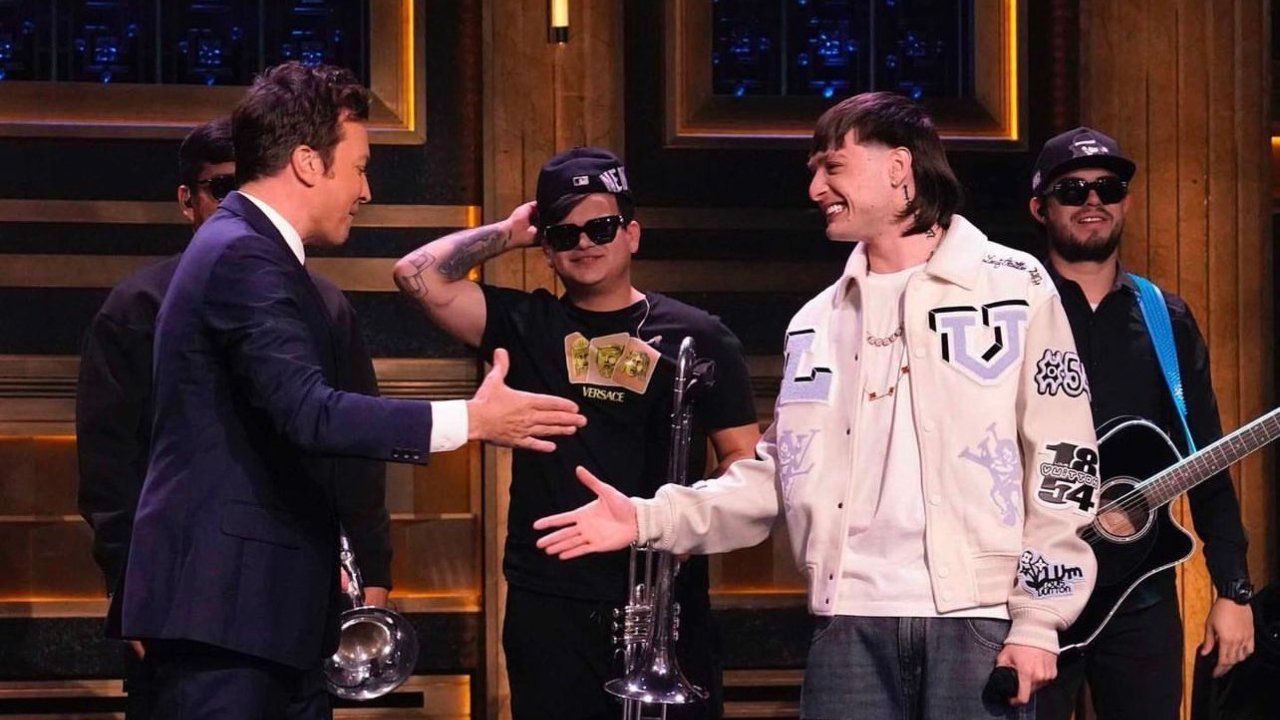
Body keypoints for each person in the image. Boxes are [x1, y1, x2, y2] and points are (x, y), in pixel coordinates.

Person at [533, 92, 1100, 719]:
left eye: (833, 167)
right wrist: (648, 518)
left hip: (977, 623)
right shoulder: (817, 321)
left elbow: (1065, 460)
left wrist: (1039, 619)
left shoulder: (1014, 285)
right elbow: (780, 475)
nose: (815, 189)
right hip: (847, 623)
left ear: (899, 167)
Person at [115, 62, 584, 719]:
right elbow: (307, 413)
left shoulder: (251, 251)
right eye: (359, 167)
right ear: (308, 163)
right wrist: (472, 420)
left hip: (261, 613)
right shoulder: (242, 255)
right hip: (227, 617)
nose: (365, 189)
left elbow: (269, 439)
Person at [392, 147, 761, 720]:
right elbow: (416, 275)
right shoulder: (525, 323)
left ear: (632, 234)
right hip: (550, 599)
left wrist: (679, 522)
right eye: (564, 234)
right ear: (546, 249)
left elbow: (742, 459)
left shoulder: (699, 336)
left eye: (601, 227)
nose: (584, 242)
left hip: (662, 593)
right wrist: (510, 232)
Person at [76, 117, 399, 718]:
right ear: (187, 200)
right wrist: (128, 579)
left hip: (299, 600)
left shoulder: (325, 302)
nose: (237, 201)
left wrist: (373, 567)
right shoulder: (138, 305)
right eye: (222, 187)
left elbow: (353, 452)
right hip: (196, 605)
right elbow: (110, 464)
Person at [1026, 127, 1254, 720]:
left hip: (1139, 592)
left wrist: (1232, 588)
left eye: (1108, 187)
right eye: (1072, 189)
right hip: (1028, 595)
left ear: (1125, 202)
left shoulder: (1164, 316)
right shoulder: (1013, 310)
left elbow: (1207, 457)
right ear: (1040, 207)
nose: (1092, 200)